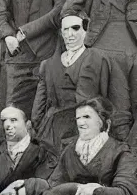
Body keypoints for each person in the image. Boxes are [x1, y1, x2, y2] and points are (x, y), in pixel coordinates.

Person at [61, 0, 137, 142]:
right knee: (115, 108)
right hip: (103, 53)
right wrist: (82, 33)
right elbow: (68, 10)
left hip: (134, 50)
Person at [32, 12, 131, 153]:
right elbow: (37, 110)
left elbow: (112, 100)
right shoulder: (48, 65)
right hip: (52, 135)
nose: (70, 34)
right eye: (65, 30)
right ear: (61, 33)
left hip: (86, 131)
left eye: (75, 28)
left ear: (85, 31)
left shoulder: (96, 58)